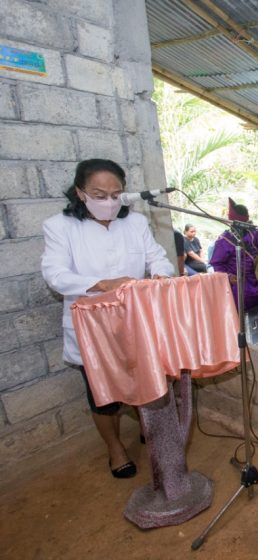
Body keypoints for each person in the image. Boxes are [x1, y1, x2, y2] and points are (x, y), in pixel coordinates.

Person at [41, 158, 174, 479]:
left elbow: (158, 257)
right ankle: (115, 448)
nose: (109, 202)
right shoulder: (59, 227)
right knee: (103, 395)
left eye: (116, 195)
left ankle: (150, 428)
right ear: (80, 192)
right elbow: (55, 273)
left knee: (146, 380)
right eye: (100, 195)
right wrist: (100, 284)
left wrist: (159, 276)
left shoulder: (135, 223)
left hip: (135, 320)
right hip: (92, 327)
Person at [209, 199, 258, 312]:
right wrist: (228, 277)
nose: (247, 225)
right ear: (235, 223)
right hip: (238, 285)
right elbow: (217, 264)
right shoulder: (224, 241)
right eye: (244, 223)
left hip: (257, 280)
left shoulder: (252, 233)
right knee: (241, 315)